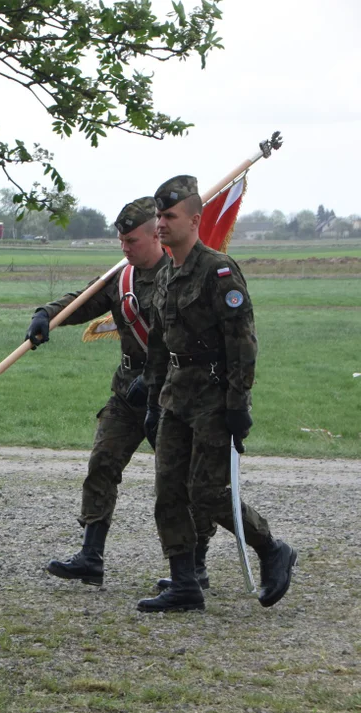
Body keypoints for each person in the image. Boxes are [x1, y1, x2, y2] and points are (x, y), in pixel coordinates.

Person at [29, 198, 214, 588]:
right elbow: (83, 301)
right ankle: (90, 556)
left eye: (131, 241)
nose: (124, 248)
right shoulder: (122, 278)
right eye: (121, 241)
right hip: (125, 395)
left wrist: (153, 379)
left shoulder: (180, 277)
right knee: (102, 465)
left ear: (156, 236)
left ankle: (195, 564)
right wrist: (46, 314)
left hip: (170, 397)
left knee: (184, 483)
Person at [137, 175, 296, 613]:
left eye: (169, 216)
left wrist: (237, 405)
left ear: (194, 218)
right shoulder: (166, 271)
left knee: (206, 492)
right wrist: (152, 400)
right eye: (158, 217)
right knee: (169, 491)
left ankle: (271, 548)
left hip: (212, 396)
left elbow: (242, 343)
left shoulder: (218, 270)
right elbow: (157, 340)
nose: (161, 225)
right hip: (174, 395)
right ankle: (185, 583)